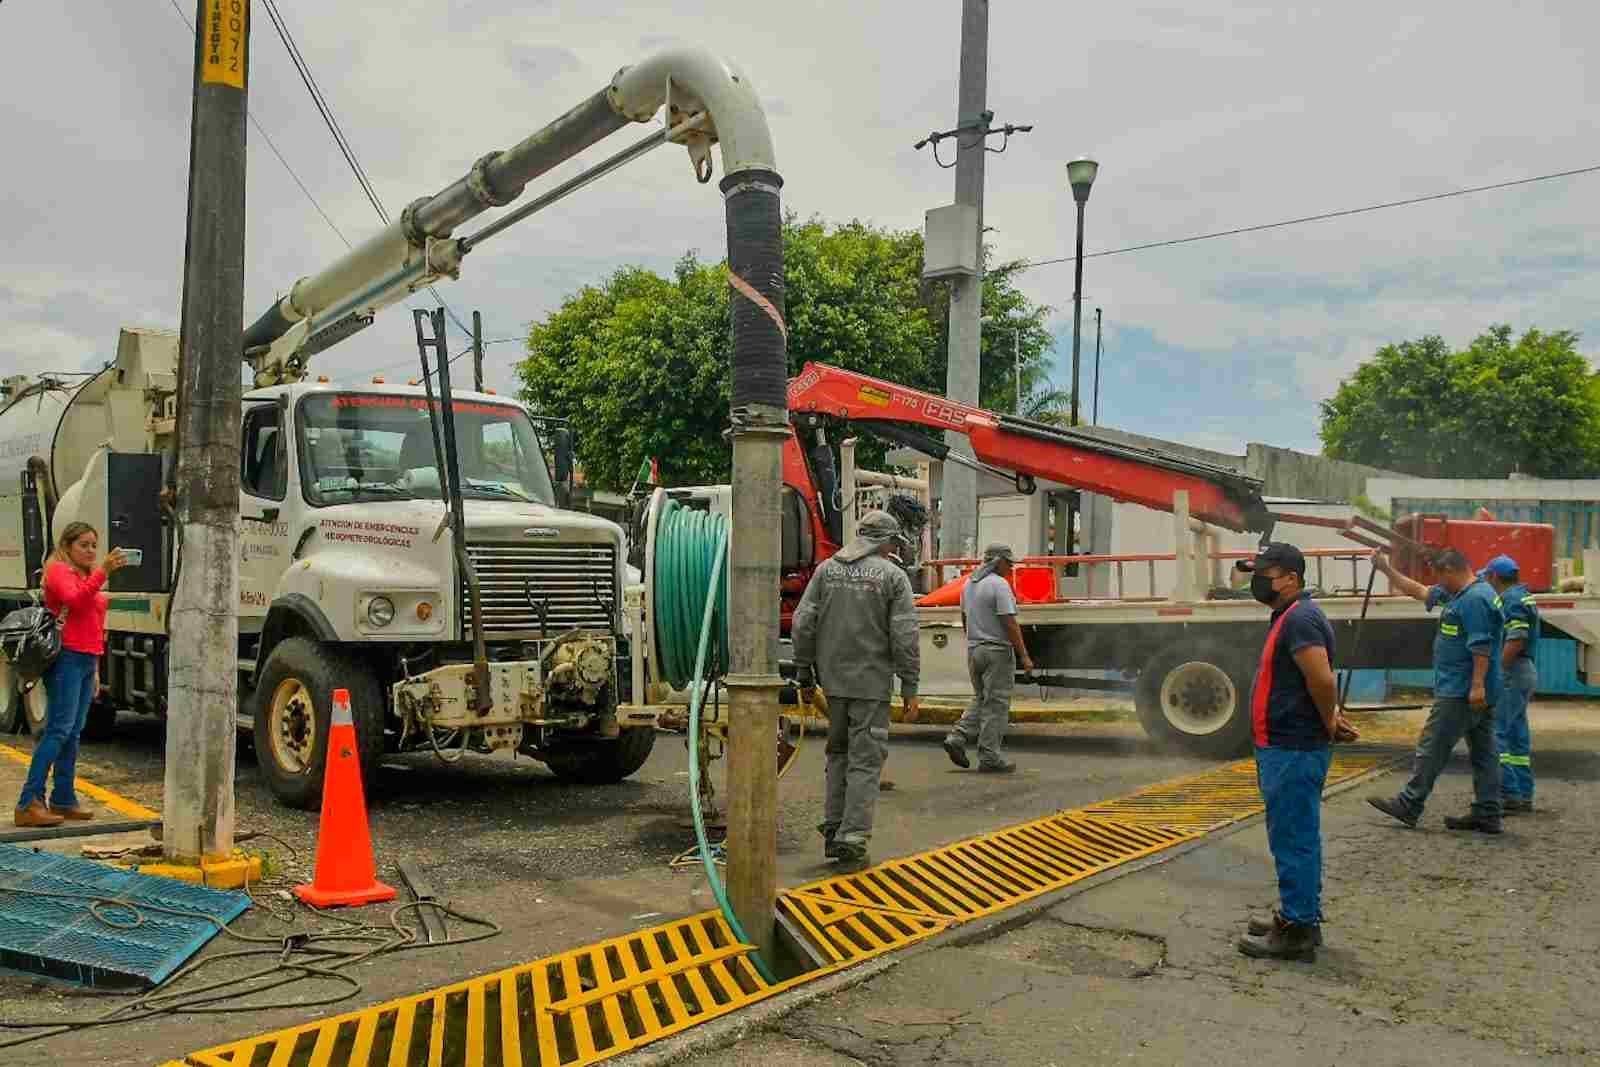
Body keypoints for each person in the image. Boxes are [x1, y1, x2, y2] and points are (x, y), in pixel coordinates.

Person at [1234, 542, 1359, 962]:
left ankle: (1297, 930)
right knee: (1293, 835)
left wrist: (1328, 719)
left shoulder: (1301, 618)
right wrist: (1330, 717)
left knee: (1294, 838)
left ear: (1291, 577)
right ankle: (1299, 916)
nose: (1257, 579)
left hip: (1293, 747)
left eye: (1264, 572)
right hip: (1286, 745)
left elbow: (1322, 679)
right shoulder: (1292, 615)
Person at [792, 510, 921, 870]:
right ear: (886, 541)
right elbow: (905, 635)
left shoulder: (826, 571)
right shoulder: (892, 577)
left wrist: (804, 673)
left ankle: (835, 829)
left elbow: (803, 623)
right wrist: (910, 685)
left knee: (837, 756)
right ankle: (853, 838)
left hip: (833, 685)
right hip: (871, 685)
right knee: (865, 762)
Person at [1368, 548, 1505, 833]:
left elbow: (1482, 645)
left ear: (1451, 571)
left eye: (1440, 577)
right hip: (1473, 690)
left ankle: (1409, 804)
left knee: (1432, 747)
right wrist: (1385, 568)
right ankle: (1488, 811)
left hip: (1462, 692)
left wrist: (1477, 686)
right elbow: (1418, 591)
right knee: (1484, 752)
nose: (1438, 584)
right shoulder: (1461, 594)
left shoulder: (1475, 600)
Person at [14, 522, 126, 828]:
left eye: (94, 545)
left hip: (87, 659)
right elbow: (75, 601)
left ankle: (63, 798)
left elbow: (96, 625)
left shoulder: (88, 575)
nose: (91, 551)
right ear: (67, 546)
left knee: (73, 733)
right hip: (66, 658)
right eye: (84, 545)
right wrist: (103, 571)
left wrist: (98, 670)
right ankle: (28, 802)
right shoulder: (59, 571)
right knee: (59, 730)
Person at [944, 543, 1034, 774]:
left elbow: (965, 619)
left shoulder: (969, 585)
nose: (1011, 567)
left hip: (975, 650)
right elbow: (1009, 622)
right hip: (996, 652)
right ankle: (989, 756)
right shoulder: (999, 585)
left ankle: (958, 736)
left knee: (981, 698)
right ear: (998, 562)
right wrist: (1024, 655)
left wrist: (973, 643)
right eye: (1009, 563)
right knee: (996, 705)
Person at [1480, 554, 1539, 813]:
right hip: (1524, 671)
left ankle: (1510, 794)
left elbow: (1516, 637)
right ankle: (1524, 793)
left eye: (1487, 577)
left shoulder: (1511, 599)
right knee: (1516, 735)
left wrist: (1497, 669)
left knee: (1497, 732)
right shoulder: (1524, 595)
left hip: (1512, 671)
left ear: (1494, 577)